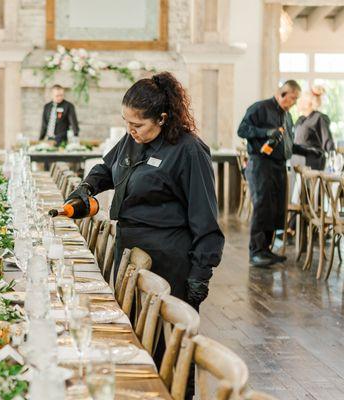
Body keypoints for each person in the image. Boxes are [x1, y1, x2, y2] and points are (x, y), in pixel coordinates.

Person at [67, 72, 224, 399]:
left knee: (169, 350)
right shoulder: (132, 140)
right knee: (134, 342)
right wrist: (86, 188)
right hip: (131, 253)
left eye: (136, 125)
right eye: (126, 123)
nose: (130, 130)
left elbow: (206, 220)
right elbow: (106, 169)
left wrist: (200, 277)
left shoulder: (188, 151)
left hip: (170, 259)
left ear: (162, 119)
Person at [237, 80, 322, 268]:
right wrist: (267, 132)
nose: (293, 103)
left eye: (295, 100)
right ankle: (256, 252)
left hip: (279, 166)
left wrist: (309, 151)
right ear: (283, 93)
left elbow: (289, 144)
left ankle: (266, 249)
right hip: (261, 164)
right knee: (262, 206)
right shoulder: (259, 108)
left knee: (276, 209)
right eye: (292, 98)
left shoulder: (287, 116)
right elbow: (242, 130)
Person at [291, 85, 334, 170]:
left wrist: (333, 158)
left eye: (302, 100)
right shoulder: (300, 120)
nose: (298, 102)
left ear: (310, 102)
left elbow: (328, 141)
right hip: (297, 159)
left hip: (312, 161)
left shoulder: (319, 118)